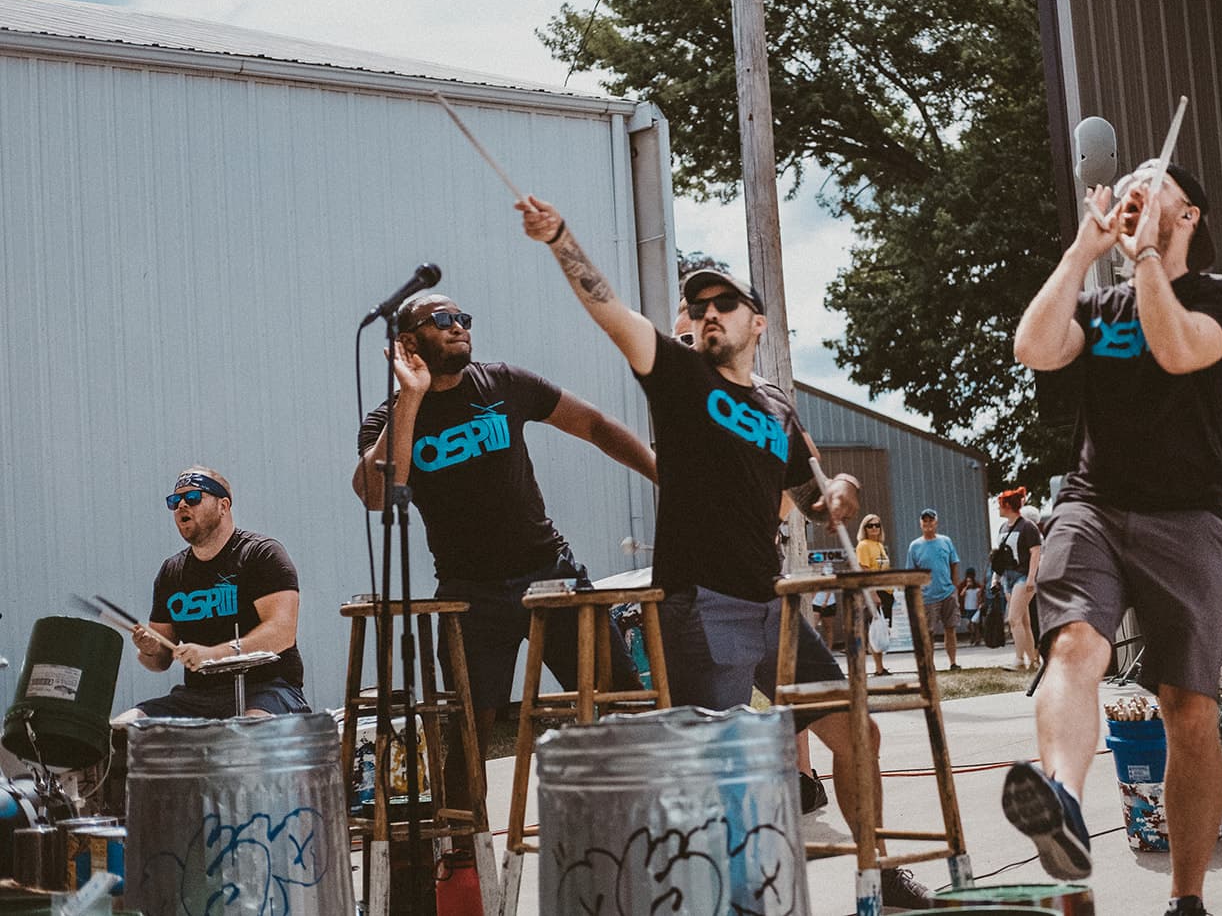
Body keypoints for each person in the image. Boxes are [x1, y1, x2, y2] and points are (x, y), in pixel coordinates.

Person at [512, 192, 933, 906]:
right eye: (699, 303)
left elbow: (808, 496)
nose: (709, 312)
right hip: (700, 605)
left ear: (756, 323)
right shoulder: (679, 376)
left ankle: (879, 877)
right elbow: (608, 307)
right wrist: (561, 237)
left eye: (725, 304)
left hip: (771, 606)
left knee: (857, 731)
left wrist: (841, 493)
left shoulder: (777, 408)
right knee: (715, 773)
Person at [1008, 160, 1222, 916]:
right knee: (1074, 647)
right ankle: (1063, 806)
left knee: (1189, 708)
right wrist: (1083, 250)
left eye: (1158, 179)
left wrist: (1145, 254)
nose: (1138, 181)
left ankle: (1186, 898)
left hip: (1187, 514)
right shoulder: (1101, 305)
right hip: (1094, 505)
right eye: (1134, 176)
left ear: (1190, 215)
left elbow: (1178, 350)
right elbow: (1035, 348)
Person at [352, 293, 658, 787]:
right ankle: (464, 862)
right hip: (470, 595)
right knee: (468, 732)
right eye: (443, 320)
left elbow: (595, 425)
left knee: (620, 706)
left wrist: (664, 475)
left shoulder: (504, 383)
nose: (459, 327)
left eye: (464, 318)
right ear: (408, 342)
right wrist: (410, 397)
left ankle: (647, 827)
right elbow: (375, 494)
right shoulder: (389, 418)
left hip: (550, 576)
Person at [121, 467, 308, 720]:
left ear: (223, 505)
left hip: (269, 689)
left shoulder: (262, 554)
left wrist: (211, 655)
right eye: (175, 501)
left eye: (194, 498)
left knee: (249, 732)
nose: (181, 506)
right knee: (125, 729)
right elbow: (160, 661)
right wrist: (149, 650)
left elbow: (281, 633)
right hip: (197, 697)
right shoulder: (171, 571)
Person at [906, 509, 962, 671]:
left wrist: (954, 586)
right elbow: (911, 573)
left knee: (950, 629)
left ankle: (953, 662)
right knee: (928, 633)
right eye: (925, 521)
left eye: (931, 520)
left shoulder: (946, 541)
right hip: (927, 597)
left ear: (936, 522)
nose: (928, 524)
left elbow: (954, 562)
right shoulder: (914, 546)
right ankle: (929, 665)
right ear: (920, 523)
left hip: (947, 593)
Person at [995, 488, 1043, 672]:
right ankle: (1033, 661)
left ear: (1007, 506)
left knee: (1013, 619)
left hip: (1023, 576)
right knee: (1023, 621)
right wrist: (996, 577)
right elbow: (999, 556)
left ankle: (1019, 659)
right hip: (1008, 576)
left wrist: (1031, 578)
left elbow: (1035, 552)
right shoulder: (1003, 528)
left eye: (1000, 505)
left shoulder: (1028, 526)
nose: (998, 509)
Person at [856, 513, 893, 676]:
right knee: (875, 629)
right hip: (875, 592)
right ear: (864, 528)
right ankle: (878, 667)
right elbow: (864, 570)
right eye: (870, 525)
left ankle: (881, 665)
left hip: (886, 592)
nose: (874, 528)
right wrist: (872, 594)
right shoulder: (863, 545)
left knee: (884, 629)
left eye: (877, 525)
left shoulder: (878, 545)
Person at [958, 568, 985, 647]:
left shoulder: (977, 587)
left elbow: (980, 595)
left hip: (975, 608)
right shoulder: (964, 586)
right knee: (969, 624)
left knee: (975, 624)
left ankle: (977, 638)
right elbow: (961, 594)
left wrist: (980, 603)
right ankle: (973, 635)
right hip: (967, 608)